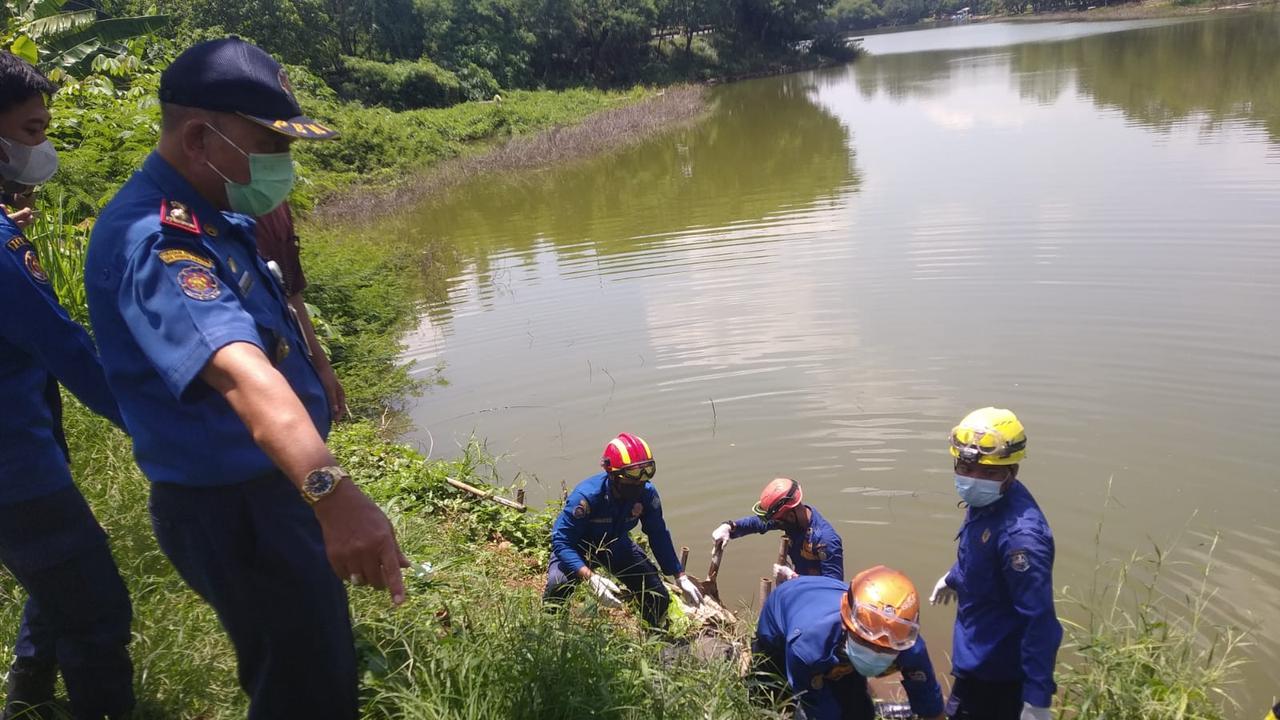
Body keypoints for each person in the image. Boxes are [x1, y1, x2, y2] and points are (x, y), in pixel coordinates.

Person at [84, 37, 408, 719]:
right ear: (200, 139)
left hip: (267, 493)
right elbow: (244, 376)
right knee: (304, 689)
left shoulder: (213, 220)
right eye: (269, 145)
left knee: (311, 668)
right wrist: (335, 497)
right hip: (238, 511)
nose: (282, 164)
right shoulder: (159, 241)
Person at [0, 51, 134, 720]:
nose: (42, 147)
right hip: (16, 467)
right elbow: (64, 347)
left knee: (57, 576)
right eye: (31, 130)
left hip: (24, 448)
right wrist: (151, 421)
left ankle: (29, 692)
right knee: (97, 608)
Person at [927, 407, 1062, 720]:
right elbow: (980, 552)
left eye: (988, 473)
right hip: (976, 649)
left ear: (1011, 471)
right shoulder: (988, 500)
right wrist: (955, 576)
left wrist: (1037, 700)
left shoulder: (1021, 540)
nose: (974, 480)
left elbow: (1040, 622)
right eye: (966, 468)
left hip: (997, 673)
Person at [544, 432, 704, 627]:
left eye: (646, 471)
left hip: (617, 545)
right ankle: (551, 628)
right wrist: (590, 577)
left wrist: (679, 575)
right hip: (578, 547)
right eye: (633, 474)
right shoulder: (587, 497)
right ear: (613, 474)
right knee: (558, 585)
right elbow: (562, 542)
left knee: (656, 595)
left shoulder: (646, 494)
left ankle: (651, 634)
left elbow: (658, 533)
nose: (640, 481)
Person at [753, 566, 945, 720]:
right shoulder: (807, 648)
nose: (876, 654)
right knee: (772, 701)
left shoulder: (907, 644)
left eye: (886, 649)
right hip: (783, 617)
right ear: (846, 625)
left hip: (831, 606)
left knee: (859, 711)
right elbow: (819, 709)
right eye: (867, 643)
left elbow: (930, 704)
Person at [254, 201, 346, 420]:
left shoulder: (275, 204)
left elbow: (291, 288)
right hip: (258, 385)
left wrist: (321, 364)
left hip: (294, 360)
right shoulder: (201, 217)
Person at [711, 477, 844, 582]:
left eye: (778, 520)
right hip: (799, 586)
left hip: (817, 598)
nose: (776, 523)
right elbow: (758, 523)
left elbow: (833, 586)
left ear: (790, 515)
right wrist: (730, 527)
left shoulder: (825, 540)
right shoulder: (792, 522)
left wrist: (794, 577)